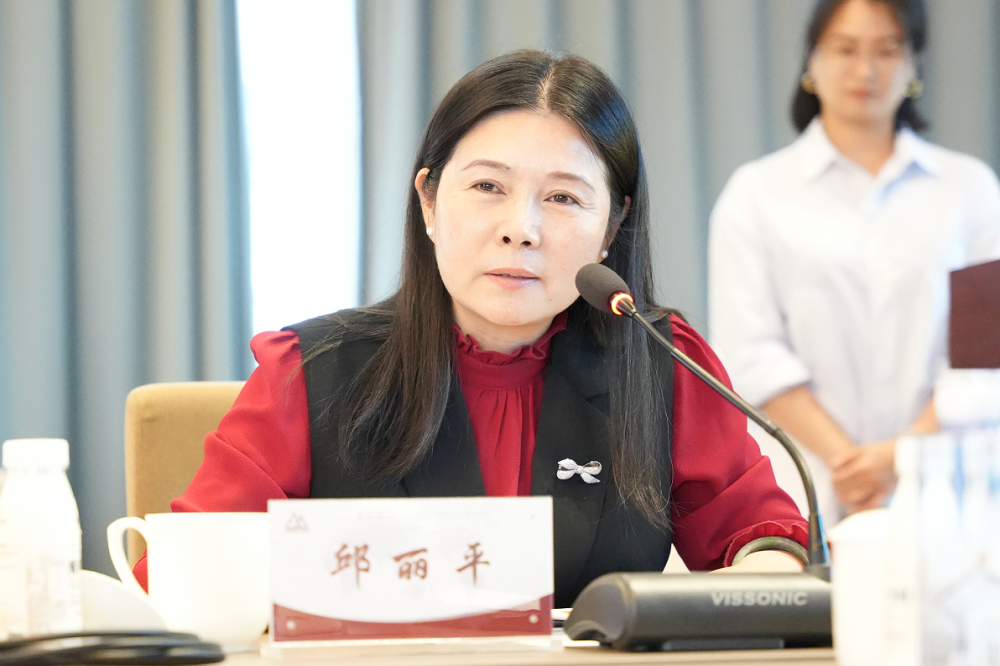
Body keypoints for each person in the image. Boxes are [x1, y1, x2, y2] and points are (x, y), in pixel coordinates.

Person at [137, 50, 808, 608]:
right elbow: (177, 582)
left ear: (611, 226)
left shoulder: (658, 363)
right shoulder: (309, 373)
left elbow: (764, 539)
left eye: (563, 197)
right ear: (429, 201)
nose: (522, 228)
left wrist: (766, 570)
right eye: (488, 187)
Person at [709, 0, 1000, 523]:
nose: (865, 70)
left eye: (887, 50)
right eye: (845, 49)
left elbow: (983, 355)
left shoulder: (970, 190)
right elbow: (750, 353)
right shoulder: (754, 195)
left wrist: (897, 458)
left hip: (946, 485)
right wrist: (850, 464)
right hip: (805, 484)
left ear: (913, 65)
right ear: (811, 62)